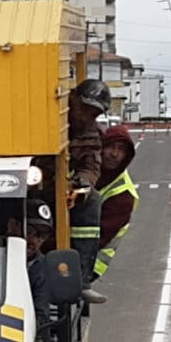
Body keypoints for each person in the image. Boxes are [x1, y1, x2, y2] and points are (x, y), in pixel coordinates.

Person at [67, 78, 109, 304]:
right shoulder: (48, 116)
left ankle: (82, 282)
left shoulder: (92, 133)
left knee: (92, 201)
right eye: (84, 109)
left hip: (64, 187)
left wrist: (81, 184)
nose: (86, 117)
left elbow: (92, 165)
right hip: (33, 183)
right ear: (73, 98)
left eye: (93, 114)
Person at [93, 125, 139, 283]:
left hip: (90, 262)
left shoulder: (123, 194)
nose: (114, 154)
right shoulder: (83, 169)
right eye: (110, 147)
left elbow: (97, 239)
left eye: (121, 150)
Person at [8, 198, 55, 328]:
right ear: (12, 225)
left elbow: (41, 315)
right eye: (29, 232)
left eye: (42, 236)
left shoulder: (41, 266)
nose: (35, 241)